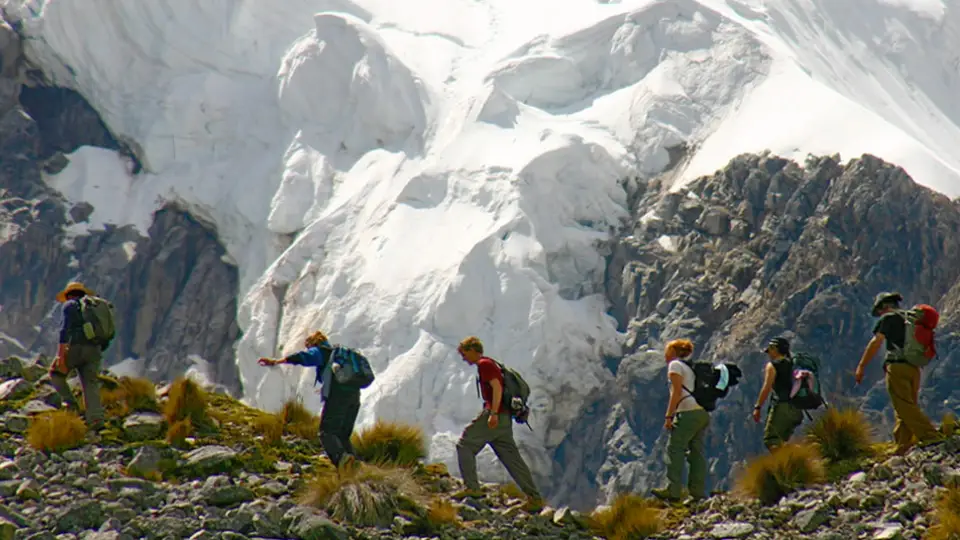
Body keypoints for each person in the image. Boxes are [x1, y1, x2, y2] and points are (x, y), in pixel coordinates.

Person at [454, 336, 544, 511]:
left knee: (464, 445)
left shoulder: (484, 365)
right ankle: (534, 498)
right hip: (504, 420)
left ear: (473, 350)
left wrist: (493, 413)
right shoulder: (492, 364)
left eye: (464, 354)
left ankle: (472, 488)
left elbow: (497, 387)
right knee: (512, 459)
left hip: (495, 416)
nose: (463, 358)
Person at [856, 292, 943, 456]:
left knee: (904, 406)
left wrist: (861, 366)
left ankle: (931, 436)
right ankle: (903, 445)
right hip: (914, 369)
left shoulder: (888, 319)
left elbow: (876, 342)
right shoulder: (911, 320)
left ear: (884, 307)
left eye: (880, 311)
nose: (880, 315)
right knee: (905, 405)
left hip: (897, 367)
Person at [259, 330, 361, 468]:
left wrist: (277, 361)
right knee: (342, 435)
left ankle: (343, 462)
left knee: (326, 432)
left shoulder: (321, 351)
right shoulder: (339, 356)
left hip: (338, 396)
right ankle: (355, 465)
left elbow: (305, 357)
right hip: (354, 396)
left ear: (314, 343)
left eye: (309, 346)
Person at [652, 339, 710, 502]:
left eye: (668, 350)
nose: (665, 354)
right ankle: (697, 493)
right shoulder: (688, 367)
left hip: (687, 413)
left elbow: (676, 392)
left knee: (675, 449)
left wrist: (669, 416)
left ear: (674, 352)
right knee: (696, 452)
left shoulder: (675, 366)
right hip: (701, 412)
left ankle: (673, 491)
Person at [48, 281, 105, 434]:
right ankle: (96, 420)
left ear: (68, 295)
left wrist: (61, 356)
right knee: (90, 382)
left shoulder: (69, 305)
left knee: (56, 374)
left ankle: (71, 404)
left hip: (75, 348)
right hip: (94, 350)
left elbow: (64, 331)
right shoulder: (93, 307)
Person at [753, 337, 805, 452]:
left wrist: (758, 407)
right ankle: (796, 462)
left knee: (771, 440)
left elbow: (766, 387)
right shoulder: (793, 364)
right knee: (782, 442)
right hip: (797, 409)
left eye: (770, 350)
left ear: (775, 349)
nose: (769, 354)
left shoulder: (773, 366)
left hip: (782, 407)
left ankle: (804, 454)